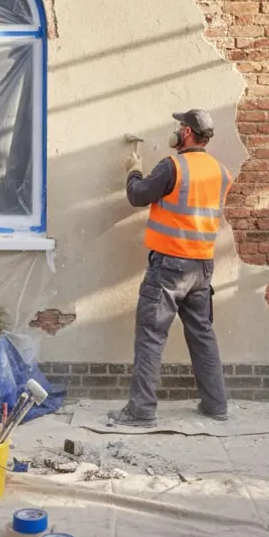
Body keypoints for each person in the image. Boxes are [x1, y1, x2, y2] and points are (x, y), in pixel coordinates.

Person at [108, 109, 231, 427]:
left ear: (187, 133)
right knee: (202, 334)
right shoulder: (221, 172)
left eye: (179, 126)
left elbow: (138, 196)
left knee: (151, 334)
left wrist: (133, 170)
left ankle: (141, 411)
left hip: (170, 267)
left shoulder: (172, 165)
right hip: (202, 267)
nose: (175, 130)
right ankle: (216, 405)